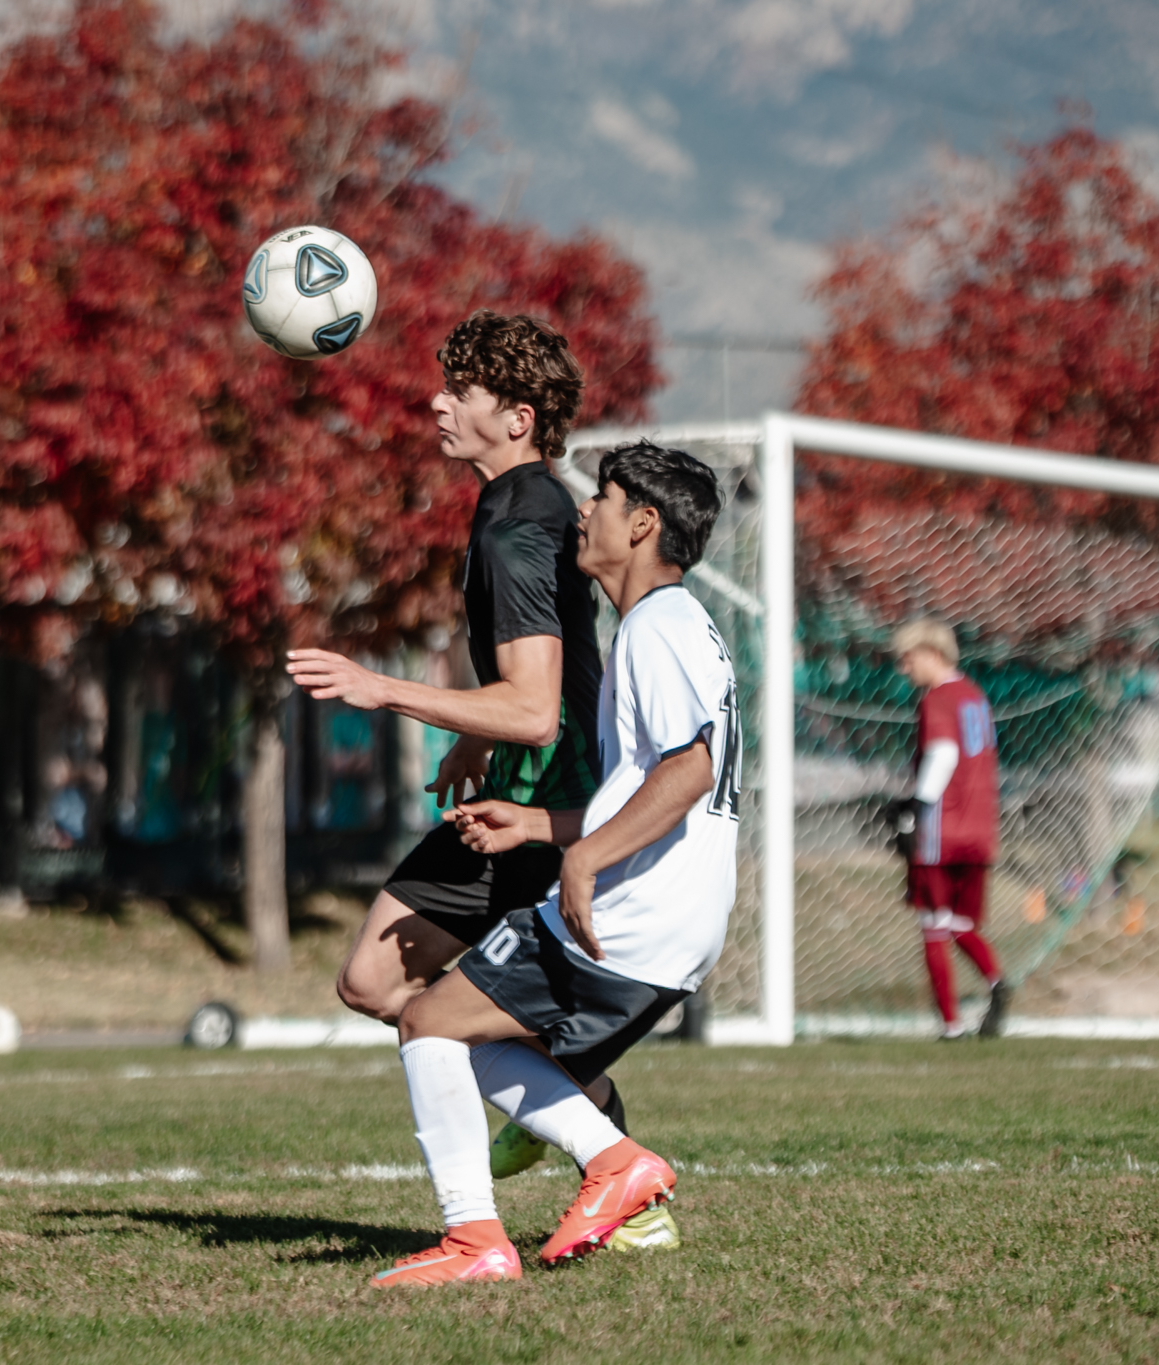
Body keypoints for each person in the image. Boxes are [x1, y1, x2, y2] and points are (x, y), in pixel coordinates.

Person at [283, 313, 662, 1237]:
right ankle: (575, 1110)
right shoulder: (521, 505)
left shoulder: (518, 529)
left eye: (462, 392)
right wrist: (476, 737)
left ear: (519, 416)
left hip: (535, 811)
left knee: (391, 991)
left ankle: (590, 1134)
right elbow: (553, 678)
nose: (437, 402)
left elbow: (535, 707)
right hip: (520, 785)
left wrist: (383, 689)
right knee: (377, 979)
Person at [368, 441, 738, 1286]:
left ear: (642, 523)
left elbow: (691, 770)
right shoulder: (670, 626)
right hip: (672, 922)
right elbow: (646, 786)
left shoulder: (659, 624)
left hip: (636, 912)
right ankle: (610, 1165)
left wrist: (585, 862)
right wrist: (538, 825)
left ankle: (479, 1239)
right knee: (474, 1037)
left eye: (602, 497)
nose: (584, 511)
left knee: (427, 1020)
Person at [891, 617, 1010, 1040]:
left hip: (943, 828)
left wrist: (914, 808)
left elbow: (942, 753)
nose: (905, 670)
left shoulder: (937, 699)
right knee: (960, 922)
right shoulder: (976, 697)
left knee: (933, 924)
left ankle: (950, 1024)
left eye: (908, 660)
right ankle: (997, 981)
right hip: (980, 829)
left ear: (931, 654)